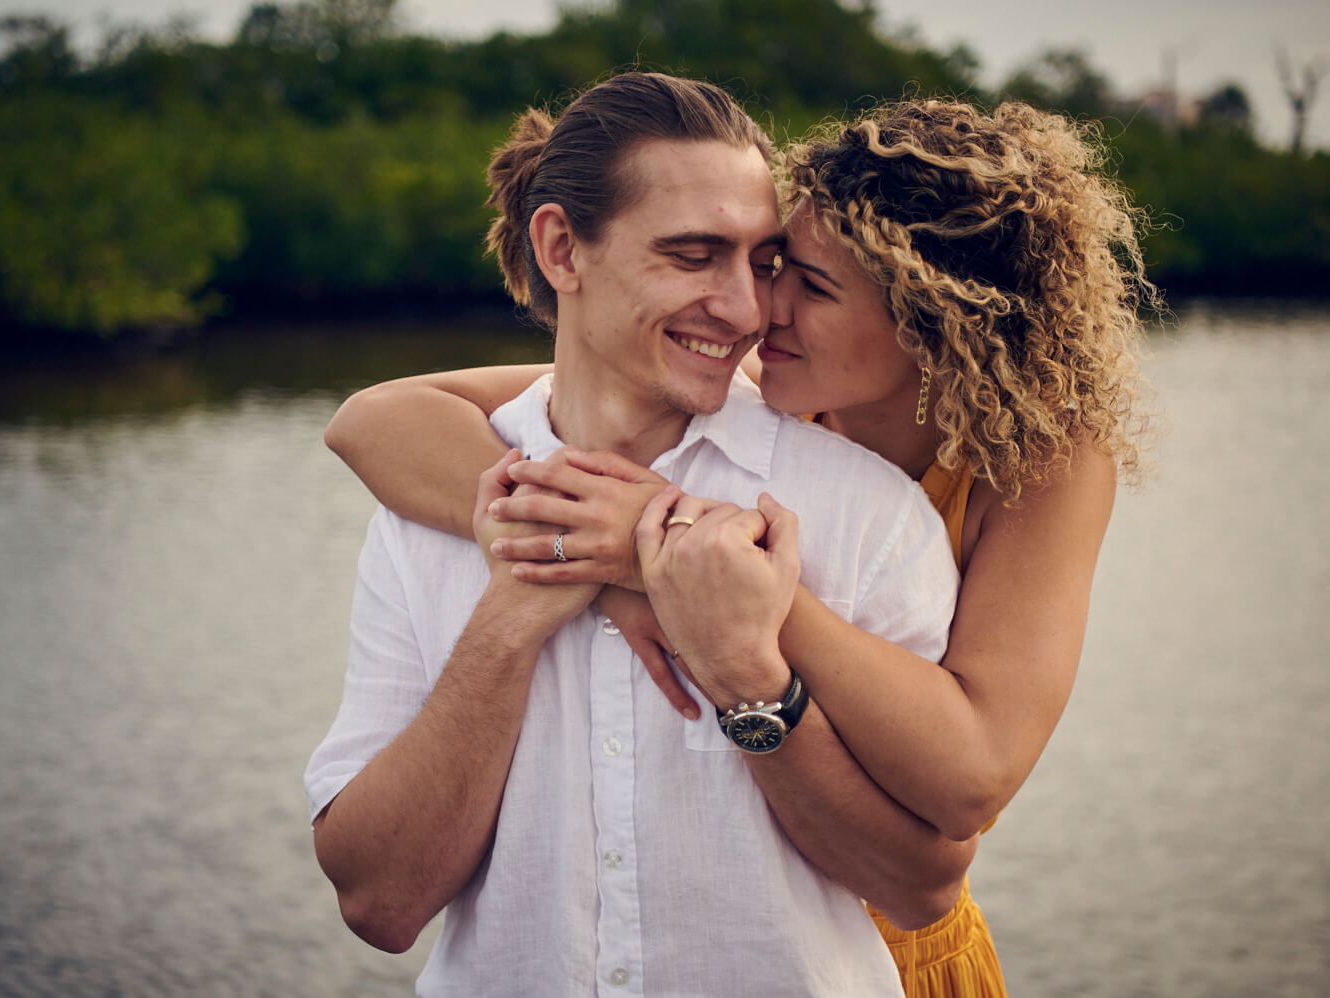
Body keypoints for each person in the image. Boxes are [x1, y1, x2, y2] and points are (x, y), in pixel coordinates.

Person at [323, 98, 1156, 996]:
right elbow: (376, 419)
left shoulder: (1034, 465)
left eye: (808, 285)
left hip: (895, 953)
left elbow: (970, 774)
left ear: (934, 324)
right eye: (773, 267)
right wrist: (615, 562)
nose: (760, 309)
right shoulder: (746, 373)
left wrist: (686, 565)